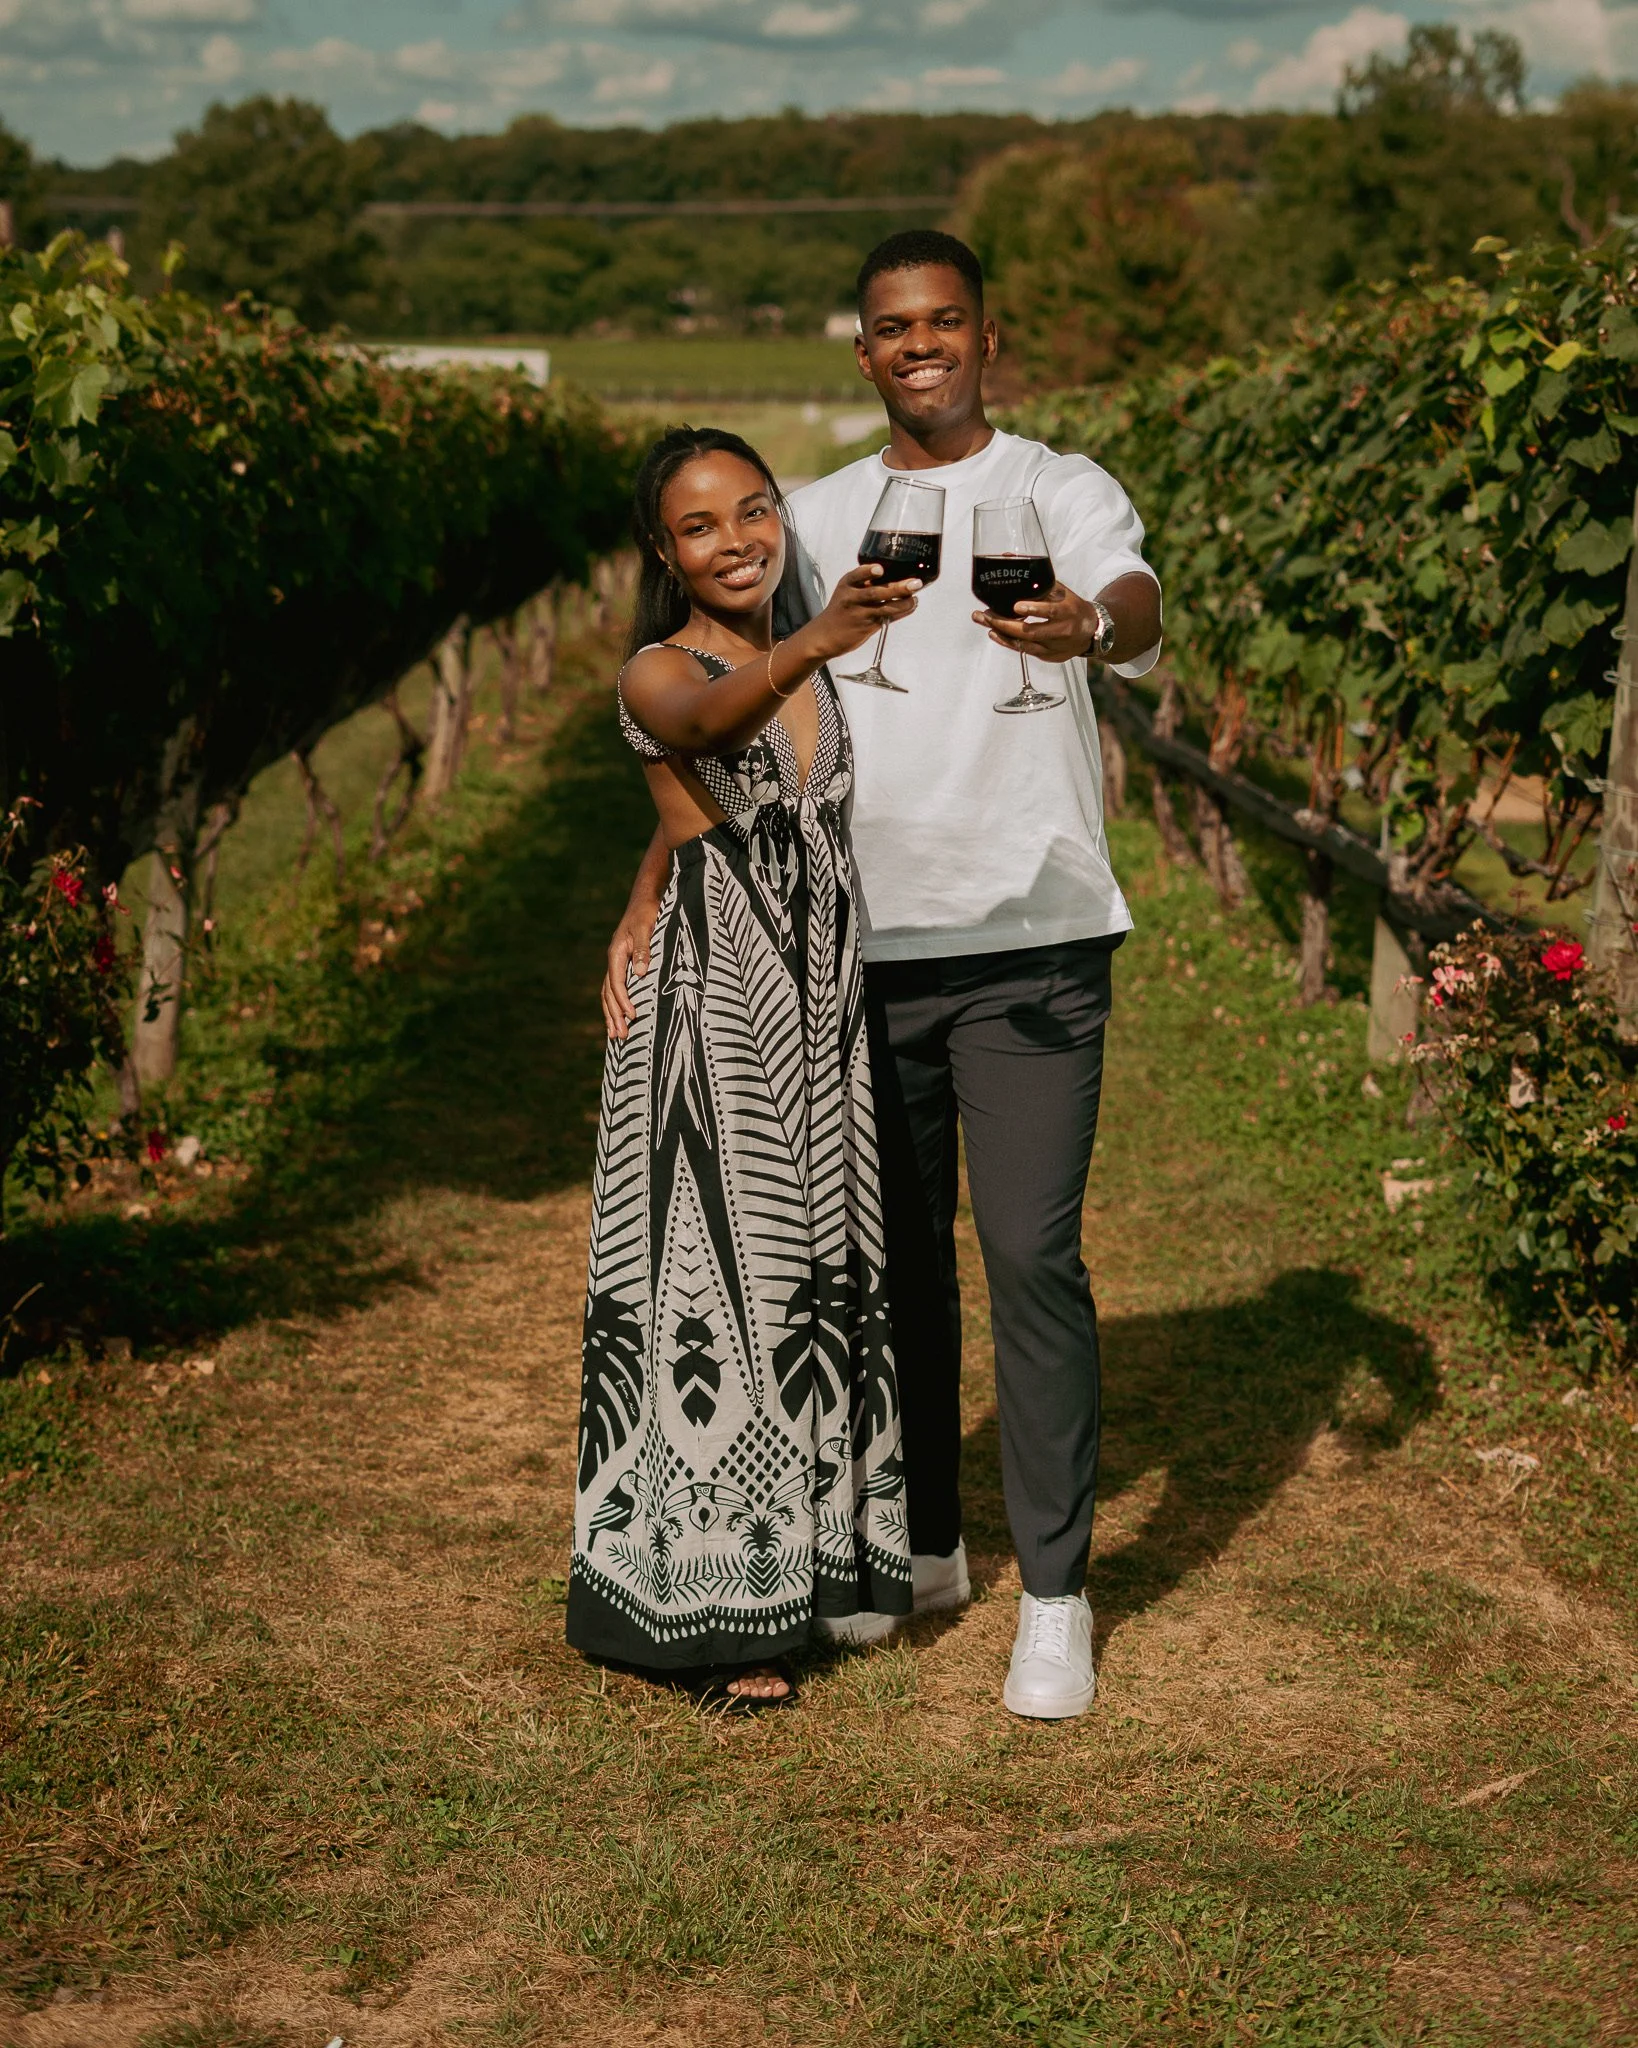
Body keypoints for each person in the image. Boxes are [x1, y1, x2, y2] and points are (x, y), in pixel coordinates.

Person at [604, 233, 1163, 1720]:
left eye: (947, 322)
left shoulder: (1059, 485)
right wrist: (650, 885)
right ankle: (921, 1542)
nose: (921, 346)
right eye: (892, 328)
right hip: (851, 955)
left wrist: (1086, 630)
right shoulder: (821, 521)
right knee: (886, 1267)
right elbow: (718, 721)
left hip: (1035, 941)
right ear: (862, 353)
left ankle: (1055, 1600)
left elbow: (1133, 596)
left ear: (987, 336)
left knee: (1031, 1259)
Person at [569, 425, 924, 1706]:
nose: (738, 539)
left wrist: (636, 884)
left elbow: (700, 818)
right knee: (726, 1279)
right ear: (665, 552)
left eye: (755, 509)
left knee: (816, 1278)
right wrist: (812, 642)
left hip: (819, 994)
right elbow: (704, 730)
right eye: (703, 525)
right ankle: (714, 1615)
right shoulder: (664, 668)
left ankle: (801, 1570)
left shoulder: (796, 659)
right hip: (718, 1003)